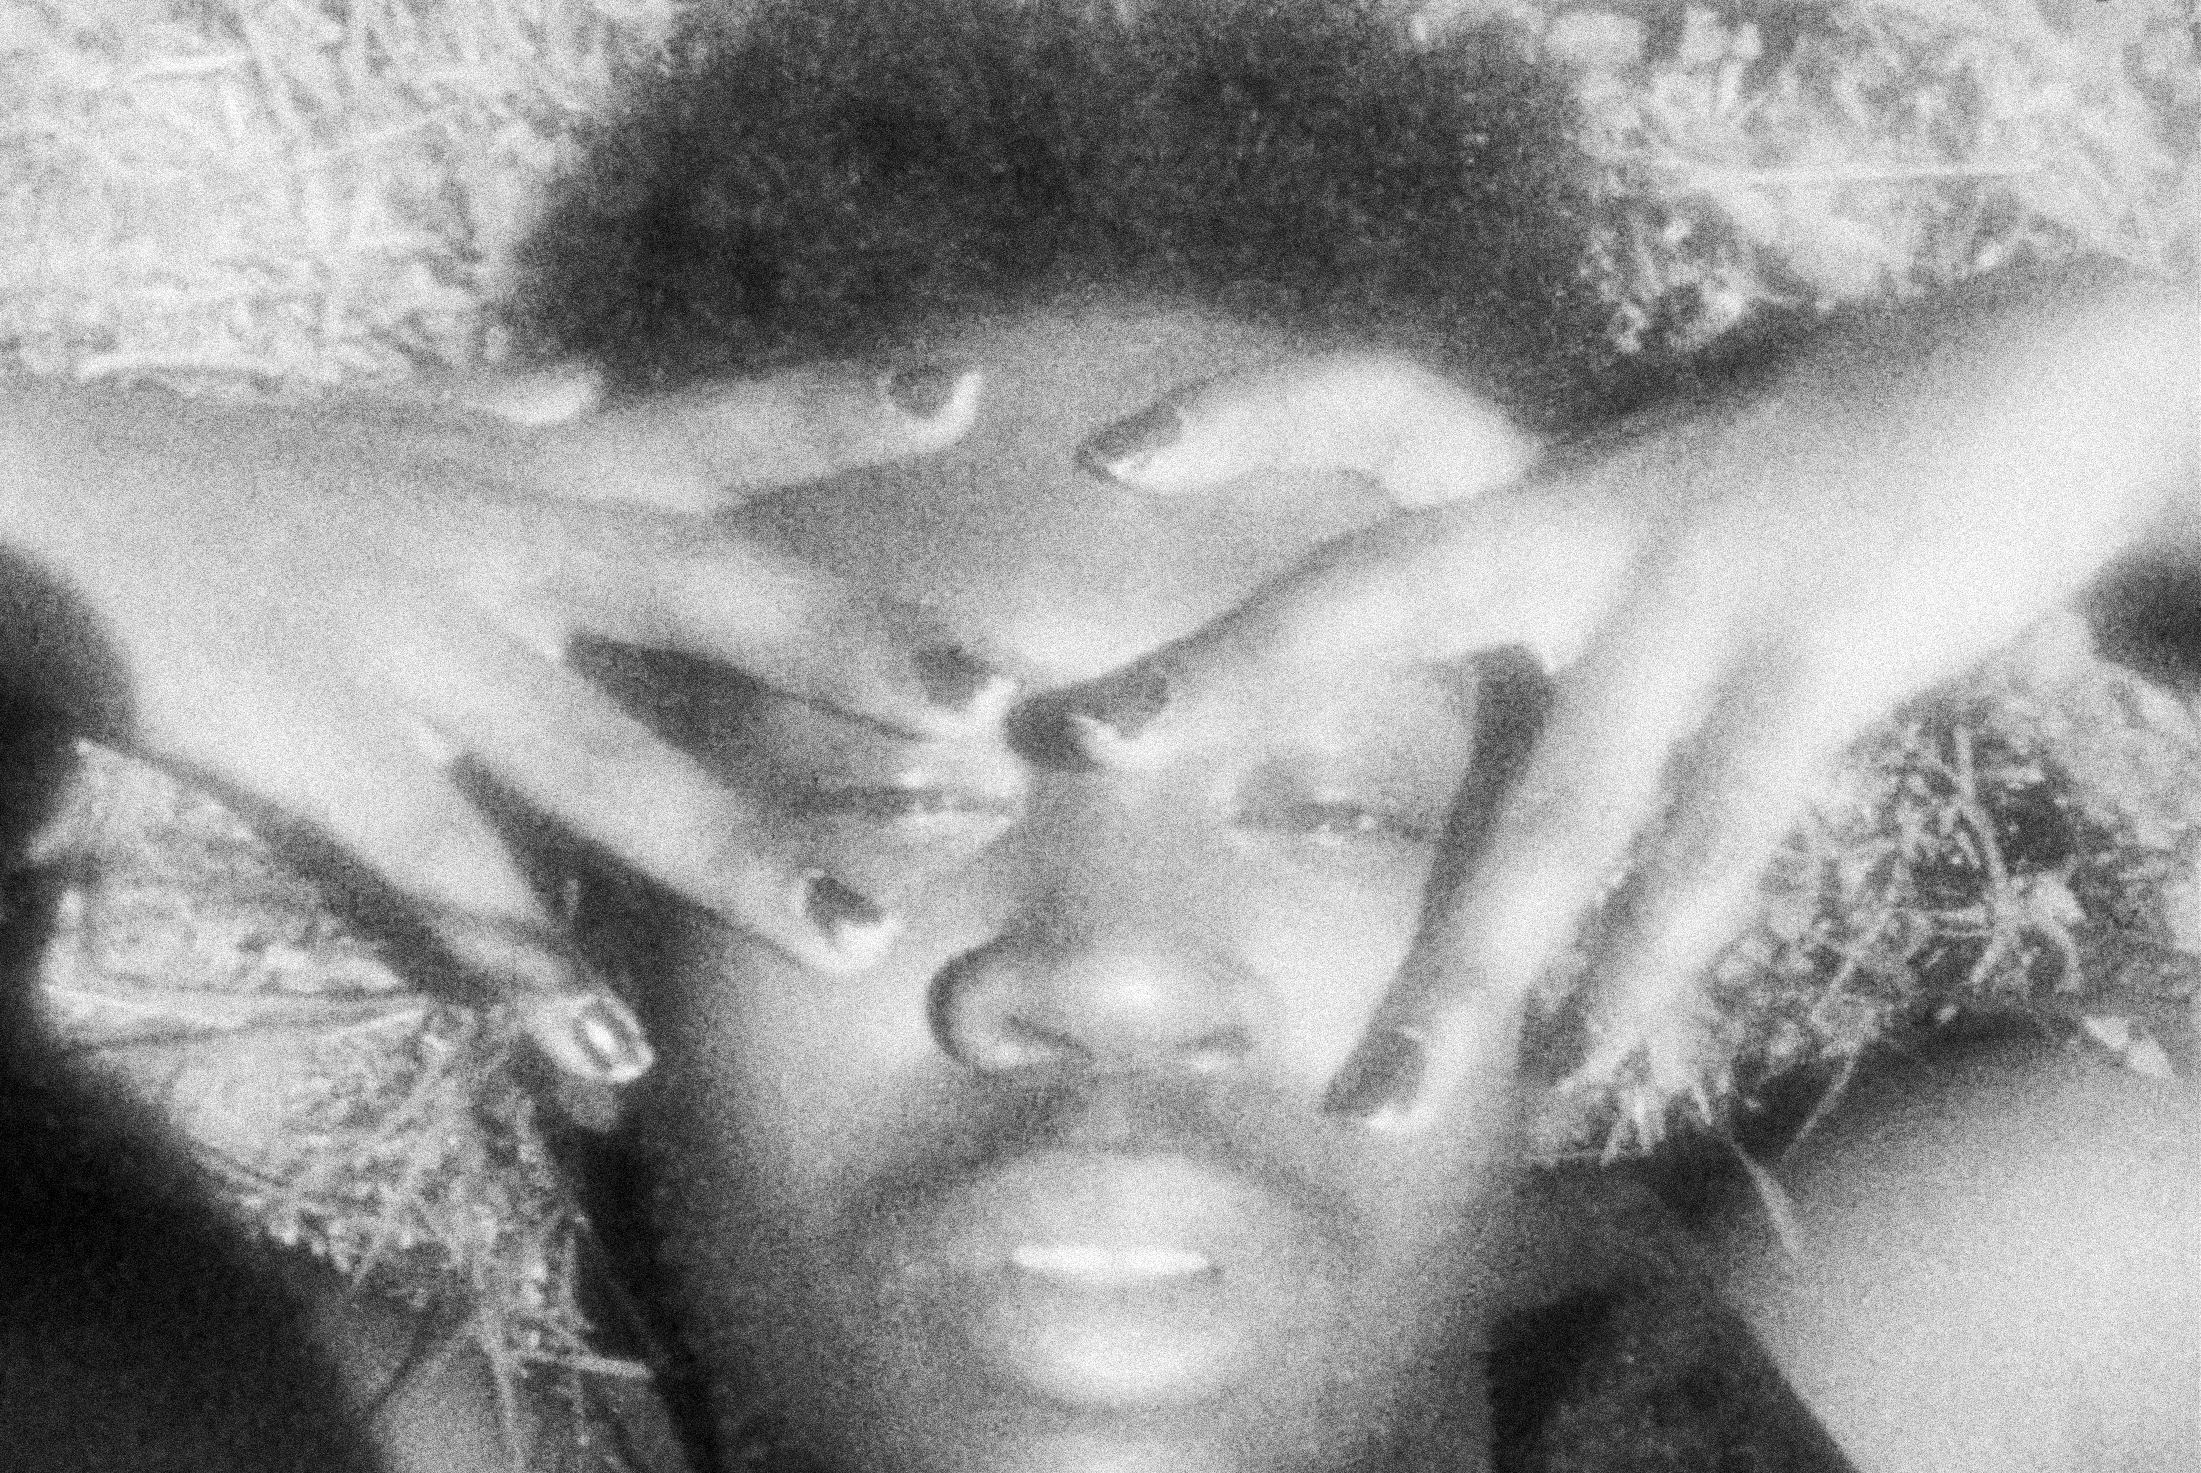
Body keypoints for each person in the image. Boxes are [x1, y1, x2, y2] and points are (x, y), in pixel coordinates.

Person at [0, 2, 2191, 1470]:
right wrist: (62, 503)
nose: (1115, 966)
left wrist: (2126, 407)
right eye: (888, 788)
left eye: (1333, 805)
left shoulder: (1982, 1329)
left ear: (1573, 897)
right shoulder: (233, 1414)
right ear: (601, 920)